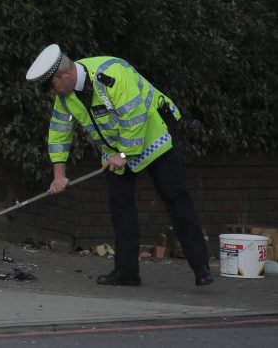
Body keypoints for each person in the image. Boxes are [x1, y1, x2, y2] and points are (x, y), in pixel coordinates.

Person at [26, 44, 213, 287]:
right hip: (115, 151)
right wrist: (58, 174)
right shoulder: (65, 97)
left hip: (153, 138)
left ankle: (201, 268)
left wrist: (124, 154)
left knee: (176, 199)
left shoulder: (111, 74)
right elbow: (59, 131)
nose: (51, 93)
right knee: (120, 207)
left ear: (66, 75)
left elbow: (134, 117)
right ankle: (127, 272)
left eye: (50, 87)